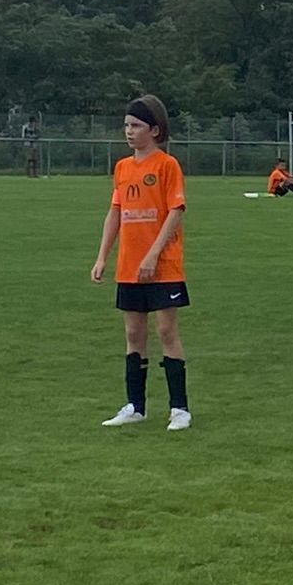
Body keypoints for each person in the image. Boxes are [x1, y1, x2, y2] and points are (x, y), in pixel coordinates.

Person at [90, 95, 192, 431]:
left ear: (155, 130)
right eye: (126, 125)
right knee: (134, 334)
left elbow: (175, 212)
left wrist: (153, 254)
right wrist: (102, 257)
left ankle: (179, 409)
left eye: (136, 125)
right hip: (129, 266)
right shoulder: (122, 168)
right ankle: (135, 406)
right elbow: (115, 213)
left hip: (163, 266)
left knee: (166, 331)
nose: (129, 131)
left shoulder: (167, 165)